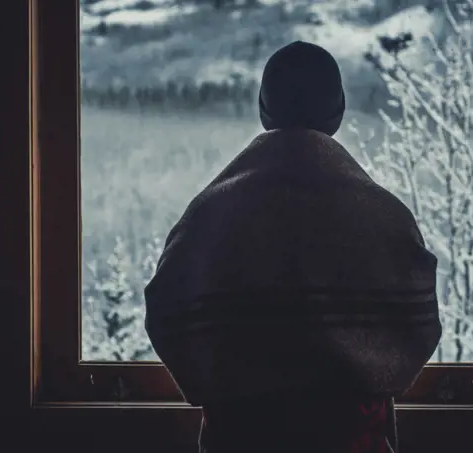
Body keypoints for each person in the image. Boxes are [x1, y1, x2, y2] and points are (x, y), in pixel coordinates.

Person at [144, 41, 442, 453]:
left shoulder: (207, 215)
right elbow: (419, 324)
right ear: (338, 115)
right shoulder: (385, 216)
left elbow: (166, 313)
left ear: (263, 113)